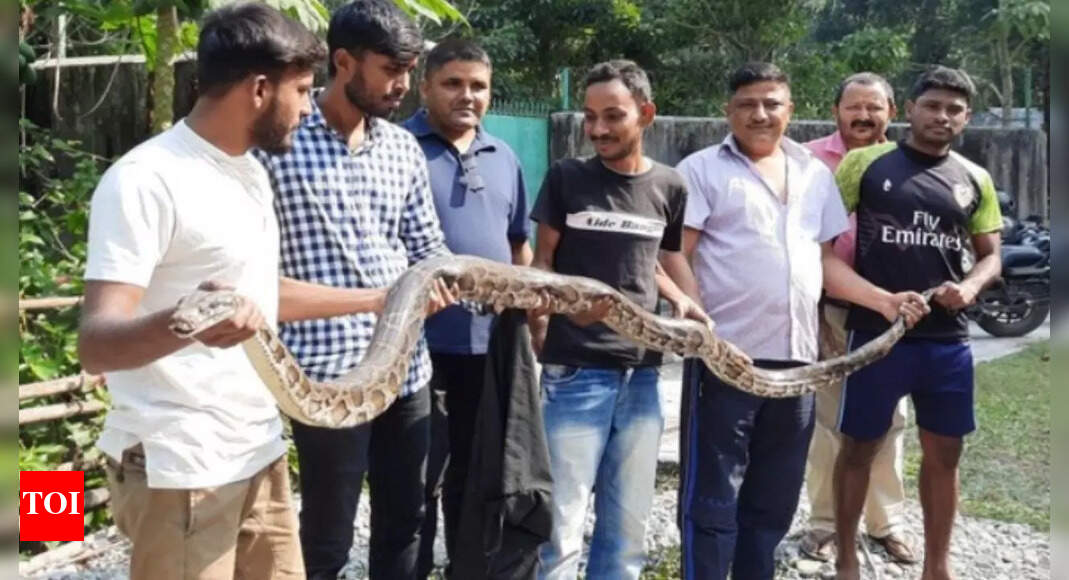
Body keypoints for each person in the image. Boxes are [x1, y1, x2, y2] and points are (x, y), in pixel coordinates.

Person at [77, 4, 325, 578]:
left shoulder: (250, 172)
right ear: (260, 88)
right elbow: (97, 344)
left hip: (258, 451)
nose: (309, 111)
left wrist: (383, 300)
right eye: (305, 92)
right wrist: (188, 319)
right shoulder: (147, 180)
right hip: (181, 463)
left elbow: (258, 296)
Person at [673, 62, 928, 580]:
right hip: (726, 361)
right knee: (713, 495)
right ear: (729, 110)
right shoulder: (700, 169)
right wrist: (698, 324)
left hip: (799, 367)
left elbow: (826, 262)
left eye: (772, 103)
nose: (760, 114)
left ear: (791, 110)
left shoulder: (814, 174)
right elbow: (677, 254)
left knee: (775, 494)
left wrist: (882, 300)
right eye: (747, 103)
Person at [254, 1, 459, 578]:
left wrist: (441, 280)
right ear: (343, 62)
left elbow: (427, 246)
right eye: (390, 69)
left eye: (408, 69)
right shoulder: (278, 145)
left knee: (408, 520)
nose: (402, 85)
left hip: (407, 369)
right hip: (327, 376)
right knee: (327, 533)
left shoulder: (401, 150)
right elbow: (251, 269)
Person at [528, 59, 708, 580]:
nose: (598, 129)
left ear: (645, 114)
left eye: (613, 116)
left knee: (627, 528)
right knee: (560, 524)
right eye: (590, 117)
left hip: (643, 375)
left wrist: (684, 301)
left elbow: (655, 259)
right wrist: (547, 324)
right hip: (576, 374)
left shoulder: (669, 187)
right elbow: (543, 266)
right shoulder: (567, 178)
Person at [833, 65, 1002, 580]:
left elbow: (991, 255)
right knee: (860, 446)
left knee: (945, 452)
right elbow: (821, 249)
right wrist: (880, 298)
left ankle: (938, 566)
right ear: (909, 109)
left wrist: (969, 287)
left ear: (966, 118)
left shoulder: (976, 178)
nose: (942, 116)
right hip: (876, 335)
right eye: (932, 105)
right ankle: (844, 559)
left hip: (947, 341)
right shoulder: (864, 163)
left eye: (954, 109)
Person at [401, 38, 533, 576]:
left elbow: (518, 245)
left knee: (480, 478)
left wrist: (531, 322)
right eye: (453, 83)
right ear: (425, 85)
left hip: (491, 346)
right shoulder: (398, 148)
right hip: (419, 346)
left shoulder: (504, 157)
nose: (467, 96)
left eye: (478, 86)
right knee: (414, 480)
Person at [800, 72, 918, 564]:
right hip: (827, 307)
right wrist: (811, 312)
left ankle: (884, 523)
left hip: (891, 314)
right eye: (854, 107)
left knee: (891, 420)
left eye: (875, 107)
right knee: (827, 421)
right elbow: (798, 243)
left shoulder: (910, 165)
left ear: (892, 112)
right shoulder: (805, 161)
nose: (864, 117)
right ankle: (825, 524)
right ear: (836, 111)